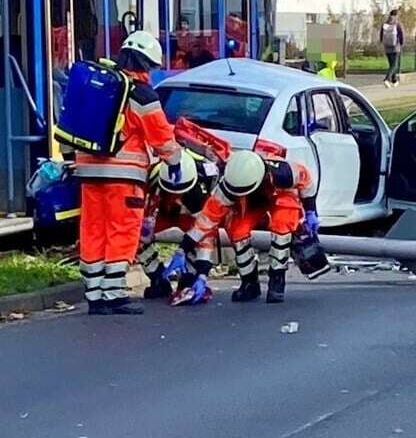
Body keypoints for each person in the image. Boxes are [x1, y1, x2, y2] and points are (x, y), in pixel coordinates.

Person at [74, 30, 182, 315]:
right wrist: (175, 160)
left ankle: (95, 296)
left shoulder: (101, 83)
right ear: (147, 63)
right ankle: (114, 294)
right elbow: (160, 136)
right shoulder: (141, 93)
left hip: (88, 170)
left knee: (93, 229)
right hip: (123, 177)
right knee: (121, 231)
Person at [183, 150, 317, 302]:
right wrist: (184, 247)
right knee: (237, 231)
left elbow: (307, 183)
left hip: (281, 195)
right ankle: (249, 282)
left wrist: (311, 211)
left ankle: (277, 279)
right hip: (250, 202)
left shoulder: (284, 173)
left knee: (282, 225)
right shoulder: (226, 188)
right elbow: (207, 220)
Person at [138, 153, 217, 306]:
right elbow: (144, 215)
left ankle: (189, 280)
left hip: (187, 216)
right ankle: (158, 278)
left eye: (180, 191)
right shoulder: (152, 177)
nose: (176, 194)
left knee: (197, 240)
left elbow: (206, 233)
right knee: (137, 236)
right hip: (162, 212)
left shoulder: (200, 191)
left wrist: (202, 273)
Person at [380, 9, 404, 87]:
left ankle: (394, 81)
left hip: (387, 47)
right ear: (397, 15)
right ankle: (387, 79)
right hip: (395, 47)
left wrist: (382, 43)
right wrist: (401, 43)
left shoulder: (385, 24)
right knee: (394, 65)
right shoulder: (397, 24)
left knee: (391, 64)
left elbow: (381, 35)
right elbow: (401, 35)